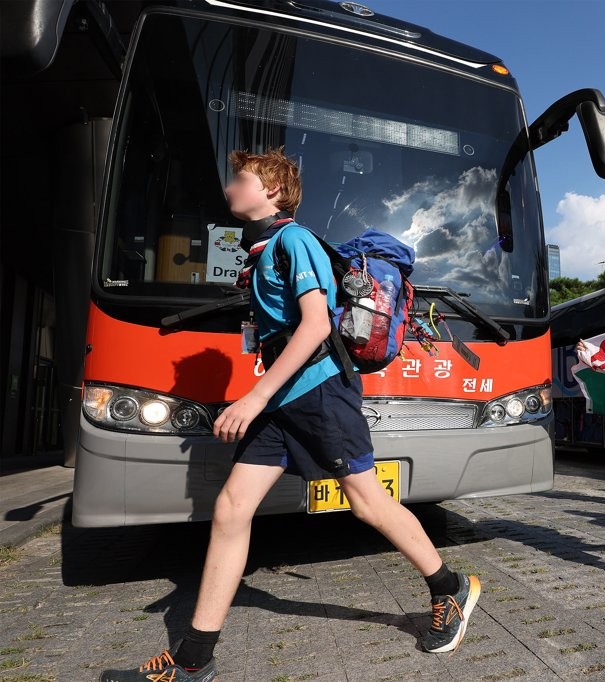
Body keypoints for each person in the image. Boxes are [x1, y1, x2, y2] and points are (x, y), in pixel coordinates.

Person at [101, 148, 480, 682]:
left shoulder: (294, 240)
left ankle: (450, 588)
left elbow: (315, 326)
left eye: (241, 179)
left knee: (367, 502)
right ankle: (193, 662)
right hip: (284, 399)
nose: (230, 187)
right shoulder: (260, 250)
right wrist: (264, 395)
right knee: (232, 509)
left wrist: (253, 397)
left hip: (320, 393)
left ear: (273, 191)